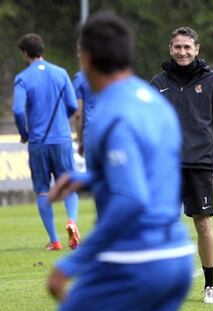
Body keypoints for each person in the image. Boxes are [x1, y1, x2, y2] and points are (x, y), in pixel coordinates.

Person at [46, 11, 194, 311]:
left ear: (85, 59)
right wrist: (90, 179)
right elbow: (151, 175)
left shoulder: (111, 113)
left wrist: (71, 265)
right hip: (176, 255)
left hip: (137, 260)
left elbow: (131, 200)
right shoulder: (154, 101)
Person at [151, 26, 213, 304]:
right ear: (170, 49)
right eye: (177, 47)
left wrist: (208, 159)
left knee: (202, 223)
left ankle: (210, 286)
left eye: (187, 47)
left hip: (200, 166)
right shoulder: (158, 82)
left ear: (197, 49)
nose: (182, 52)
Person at [12, 33, 80, 251]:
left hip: (38, 142)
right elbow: (72, 105)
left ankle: (55, 240)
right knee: (69, 186)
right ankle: (72, 221)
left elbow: (17, 110)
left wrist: (24, 132)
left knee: (42, 190)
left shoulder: (23, 78)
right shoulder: (61, 73)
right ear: (42, 50)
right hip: (61, 139)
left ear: (24, 53)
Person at [73, 41, 96, 163]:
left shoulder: (80, 78)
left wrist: (80, 140)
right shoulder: (110, 76)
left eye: (79, 51)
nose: (77, 55)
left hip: (90, 132)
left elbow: (78, 114)